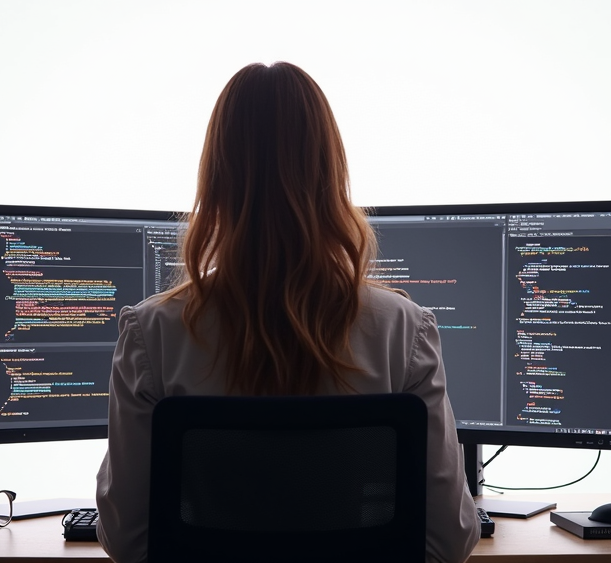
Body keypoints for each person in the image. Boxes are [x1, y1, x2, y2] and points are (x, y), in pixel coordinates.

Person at [95, 62, 480, 563]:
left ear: (215, 180)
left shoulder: (153, 334)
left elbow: (127, 539)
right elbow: (450, 540)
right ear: (330, 172)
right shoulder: (402, 331)